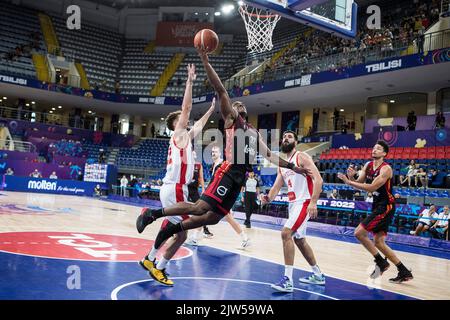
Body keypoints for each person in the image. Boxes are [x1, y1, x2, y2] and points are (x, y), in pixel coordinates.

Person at [136, 44, 309, 253]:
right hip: (228, 170)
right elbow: (221, 90)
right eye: (235, 104)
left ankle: (174, 228)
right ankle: (153, 215)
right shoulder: (232, 120)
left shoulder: (253, 132)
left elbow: (270, 155)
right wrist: (206, 62)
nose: (238, 104)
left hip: (240, 176)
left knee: (214, 218)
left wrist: (294, 166)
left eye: (240, 104)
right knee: (199, 208)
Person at [139, 64, 216, 286]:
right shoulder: (179, 134)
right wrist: (190, 82)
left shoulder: (186, 138)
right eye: (182, 120)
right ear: (175, 125)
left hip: (176, 188)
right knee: (183, 232)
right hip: (174, 188)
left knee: (174, 226)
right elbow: (187, 108)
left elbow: (199, 125)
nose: (187, 121)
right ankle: (159, 267)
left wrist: (211, 110)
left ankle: (150, 258)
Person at [338, 141, 413, 283]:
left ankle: (381, 262)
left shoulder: (386, 169)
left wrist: (349, 182)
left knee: (359, 233)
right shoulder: (368, 165)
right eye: (373, 148)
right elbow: (360, 183)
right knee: (378, 242)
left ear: (384, 153)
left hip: (386, 206)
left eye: (378, 149)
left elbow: (371, 188)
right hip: (377, 205)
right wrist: (353, 177)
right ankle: (403, 271)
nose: (374, 150)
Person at [261, 130, 325, 292]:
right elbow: (276, 187)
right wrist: (268, 198)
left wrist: (313, 202)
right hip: (293, 204)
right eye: (284, 137)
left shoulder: (301, 157)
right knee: (300, 240)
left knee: (285, 233)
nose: (285, 139)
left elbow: (318, 179)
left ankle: (288, 280)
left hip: (304, 201)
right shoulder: (283, 164)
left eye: (289, 137)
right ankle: (318, 274)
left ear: (296, 142)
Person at [188, 144, 250, 249]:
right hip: (217, 195)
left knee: (216, 215)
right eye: (212, 151)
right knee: (225, 217)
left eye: (215, 151)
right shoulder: (214, 165)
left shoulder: (223, 164)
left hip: (221, 196)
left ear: (220, 153)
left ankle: (195, 236)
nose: (213, 153)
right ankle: (245, 238)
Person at [185, 151, 214, 243]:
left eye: (195, 154)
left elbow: (201, 178)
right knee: (179, 208)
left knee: (202, 210)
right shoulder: (186, 163)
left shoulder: (198, 165)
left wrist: (203, 189)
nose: (194, 155)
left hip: (194, 190)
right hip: (185, 188)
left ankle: (205, 229)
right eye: (192, 154)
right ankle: (174, 228)